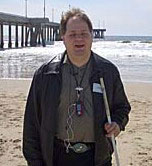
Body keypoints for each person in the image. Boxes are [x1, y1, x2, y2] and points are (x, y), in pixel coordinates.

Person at [23, 8, 131, 166]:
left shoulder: (108, 72)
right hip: (57, 156)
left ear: (92, 36)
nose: (78, 39)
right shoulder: (46, 74)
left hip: (97, 158)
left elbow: (122, 108)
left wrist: (117, 124)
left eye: (84, 34)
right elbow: (31, 124)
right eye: (72, 34)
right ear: (63, 38)